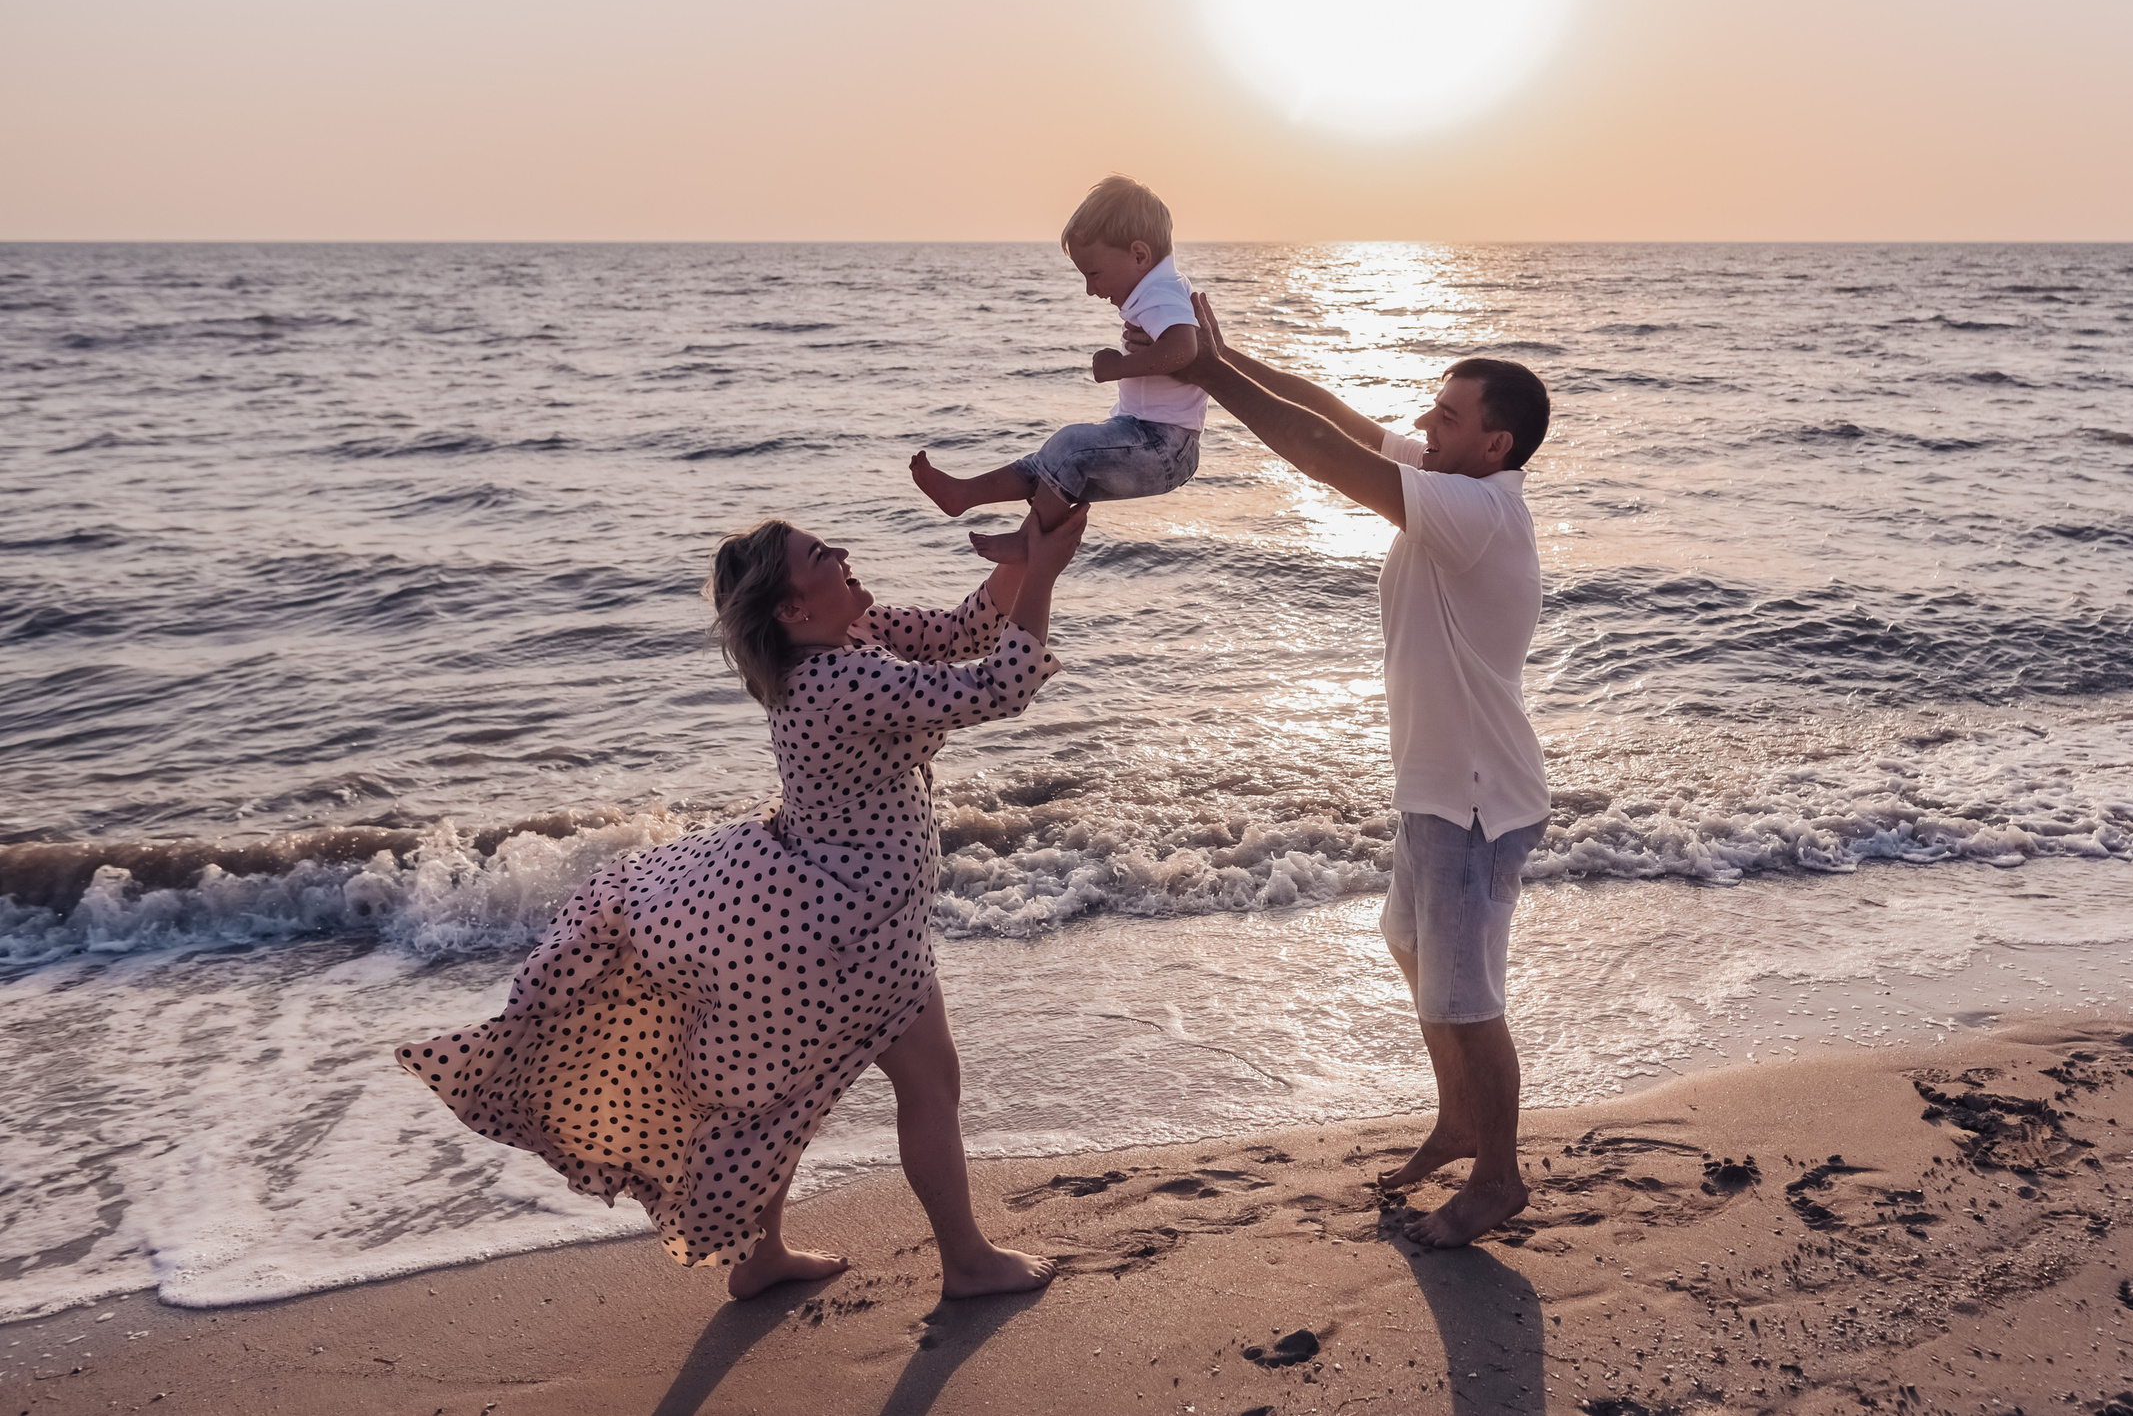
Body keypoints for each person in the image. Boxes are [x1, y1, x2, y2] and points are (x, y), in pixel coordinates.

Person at [395, 503, 1087, 1301]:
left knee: (792, 1089)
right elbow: (1000, 685)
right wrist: (1044, 574)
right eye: (823, 554)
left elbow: (964, 630)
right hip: (852, 923)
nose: (845, 555)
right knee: (926, 1082)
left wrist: (1023, 555)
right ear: (793, 607)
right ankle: (964, 1261)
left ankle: (763, 1258)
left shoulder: (851, 635)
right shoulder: (834, 676)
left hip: (831, 904)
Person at [1174, 293, 1551, 1247]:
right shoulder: (1448, 476)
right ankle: (1461, 1121)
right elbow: (1339, 418)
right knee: (1415, 955)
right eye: (1432, 407)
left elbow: (1325, 456)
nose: (1425, 421)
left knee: (1468, 997)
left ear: (1496, 444)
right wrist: (1229, 354)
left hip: (1473, 799)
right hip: (1436, 791)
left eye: (1448, 413)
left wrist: (1208, 377)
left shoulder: (1477, 511)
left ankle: (1500, 1176)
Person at [910, 175, 1206, 563]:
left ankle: (1029, 542)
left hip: (1166, 447)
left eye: (1094, 274)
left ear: (1139, 255)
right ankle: (965, 495)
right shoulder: (1160, 285)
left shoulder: (1160, 291)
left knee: (1068, 449)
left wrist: (1119, 367)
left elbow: (1184, 349)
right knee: (1051, 461)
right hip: (1145, 434)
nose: (1090, 289)